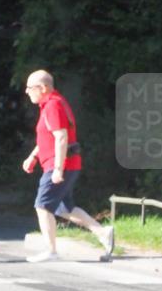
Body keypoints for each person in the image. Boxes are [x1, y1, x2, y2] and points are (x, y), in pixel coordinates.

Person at [21, 69, 114, 261]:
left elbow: (61, 137)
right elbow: (48, 138)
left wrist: (57, 169)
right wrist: (33, 156)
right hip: (63, 163)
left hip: (60, 165)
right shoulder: (50, 104)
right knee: (65, 208)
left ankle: (51, 251)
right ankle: (103, 233)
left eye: (30, 88)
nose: (27, 91)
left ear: (44, 87)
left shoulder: (53, 105)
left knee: (42, 206)